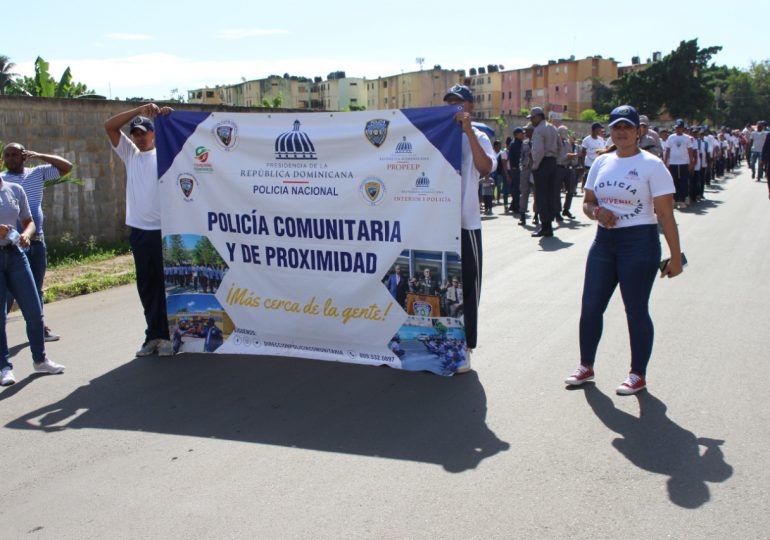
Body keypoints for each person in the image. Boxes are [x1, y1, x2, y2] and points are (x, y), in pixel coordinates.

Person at [565, 105, 683, 395]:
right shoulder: (601, 163)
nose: (621, 132)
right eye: (616, 127)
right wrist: (596, 212)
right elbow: (587, 202)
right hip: (604, 242)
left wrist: (676, 256)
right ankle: (586, 366)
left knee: (636, 310)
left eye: (627, 127)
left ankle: (637, 374)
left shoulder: (652, 165)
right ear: (609, 130)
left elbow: (666, 215)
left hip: (639, 243)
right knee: (591, 306)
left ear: (639, 131)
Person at [104, 103, 174, 357]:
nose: (140, 138)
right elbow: (109, 126)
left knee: (167, 285)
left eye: (144, 133)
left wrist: (170, 118)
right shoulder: (130, 154)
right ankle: (152, 335)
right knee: (147, 286)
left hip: (163, 230)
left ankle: (169, 336)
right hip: (140, 232)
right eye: (136, 134)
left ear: (153, 133)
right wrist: (139, 111)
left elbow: (187, 139)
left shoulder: (166, 154)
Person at [443, 84, 495, 373]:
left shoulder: (479, 136)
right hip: (435, 222)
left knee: (469, 283)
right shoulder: (434, 134)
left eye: (458, 103)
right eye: (449, 102)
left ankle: (467, 344)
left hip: (465, 222)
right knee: (441, 285)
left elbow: (485, 168)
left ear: (470, 107)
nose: (454, 106)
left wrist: (467, 132)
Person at [1, 143, 72, 342]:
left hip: (35, 241)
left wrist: (40, 154)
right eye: (7, 155)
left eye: (15, 154)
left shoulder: (37, 173)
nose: (11, 158)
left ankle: (39, 329)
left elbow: (67, 168)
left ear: (24, 156)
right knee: (7, 291)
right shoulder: (2, 180)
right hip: (10, 245)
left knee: (36, 288)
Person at [0, 175, 65, 386]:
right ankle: (3, 367)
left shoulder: (15, 189)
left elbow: (28, 222)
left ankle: (40, 360)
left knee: (34, 310)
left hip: (16, 254)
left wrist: (26, 234)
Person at [528, 107, 560, 237]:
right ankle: (549, 225)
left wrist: (535, 166)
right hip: (552, 162)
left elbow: (538, 151)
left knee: (541, 196)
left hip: (543, 163)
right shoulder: (552, 127)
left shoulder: (538, 130)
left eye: (532, 117)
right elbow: (560, 145)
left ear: (539, 116)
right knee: (550, 194)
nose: (531, 120)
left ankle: (546, 226)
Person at [664, 119, 695, 208]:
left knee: (683, 182)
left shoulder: (687, 138)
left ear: (683, 128)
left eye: (680, 128)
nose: (678, 130)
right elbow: (668, 150)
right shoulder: (671, 137)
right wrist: (666, 162)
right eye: (677, 128)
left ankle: (683, 198)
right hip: (673, 163)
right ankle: (675, 199)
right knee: (674, 182)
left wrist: (691, 163)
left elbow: (690, 151)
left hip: (683, 163)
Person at [580, 122, 605, 191]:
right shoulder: (587, 140)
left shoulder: (601, 139)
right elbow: (583, 153)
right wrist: (583, 165)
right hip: (589, 164)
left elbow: (604, 151)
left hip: (599, 164)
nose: (600, 131)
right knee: (589, 182)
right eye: (599, 129)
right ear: (595, 129)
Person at [518, 125, 534, 225]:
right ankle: (522, 215)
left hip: (535, 169)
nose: (525, 133)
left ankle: (536, 215)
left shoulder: (539, 142)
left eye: (527, 131)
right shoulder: (524, 143)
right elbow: (521, 157)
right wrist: (521, 166)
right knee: (524, 193)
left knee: (537, 194)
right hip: (525, 170)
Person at [507, 128, 524, 214]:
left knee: (517, 187)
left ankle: (513, 205)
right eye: (521, 133)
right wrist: (514, 167)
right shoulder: (515, 144)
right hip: (516, 168)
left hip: (518, 168)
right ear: (517, 134)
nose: (523, 134)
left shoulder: (519, 143)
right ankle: (516, 206)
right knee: (516, 188)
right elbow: (512, 157)